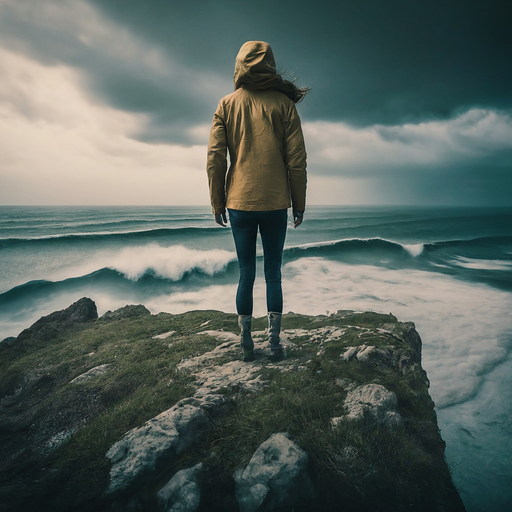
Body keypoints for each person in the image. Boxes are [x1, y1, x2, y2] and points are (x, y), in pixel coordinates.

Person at [206, 41, 308, 362]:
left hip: (239, 201)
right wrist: (299, 202)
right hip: (276, 201)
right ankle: (275, 342)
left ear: (239, 66)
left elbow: (215, 160)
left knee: (246, 272)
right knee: (273, 272)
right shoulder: (284, 106)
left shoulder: (226, 105)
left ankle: (246, 342)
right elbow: (297, 161)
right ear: (270, 66)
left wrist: (217, 201)